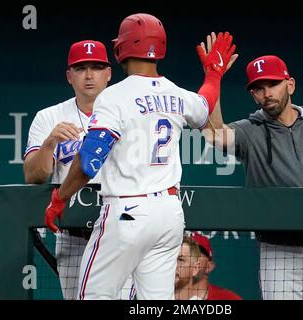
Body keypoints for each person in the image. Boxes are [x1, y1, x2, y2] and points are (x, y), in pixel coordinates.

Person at [44, 13, 236, 300]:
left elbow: (89, 160)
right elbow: (205, 103)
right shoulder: (177, 93)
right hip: (169, 214)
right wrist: (214, 74)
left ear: (121, 48)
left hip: (127, 212)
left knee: (94, 296)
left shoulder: (114, 96)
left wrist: (60, 199)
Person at [200, 34, 303, 299]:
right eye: (259, 88)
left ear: (290, 85)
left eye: (273, 84)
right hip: (279, 251)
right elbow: (214, 135)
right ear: (253, 95)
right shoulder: (250, 130)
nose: (267, 94)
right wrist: (214, 77)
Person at [23, 39, 134, 300]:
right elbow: (33, 176)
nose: (88, 75)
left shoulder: (130, 113)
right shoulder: (49, 117)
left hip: (122, 228)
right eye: (80, 68)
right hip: (75, 236)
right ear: (69, 76)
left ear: (108, 74)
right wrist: (50, 143)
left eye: (96, 67)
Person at [175, 233, 242, 300]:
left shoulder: (228, 298)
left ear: (209, 266)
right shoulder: (165, 295)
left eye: (196, 253)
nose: (175, 263)